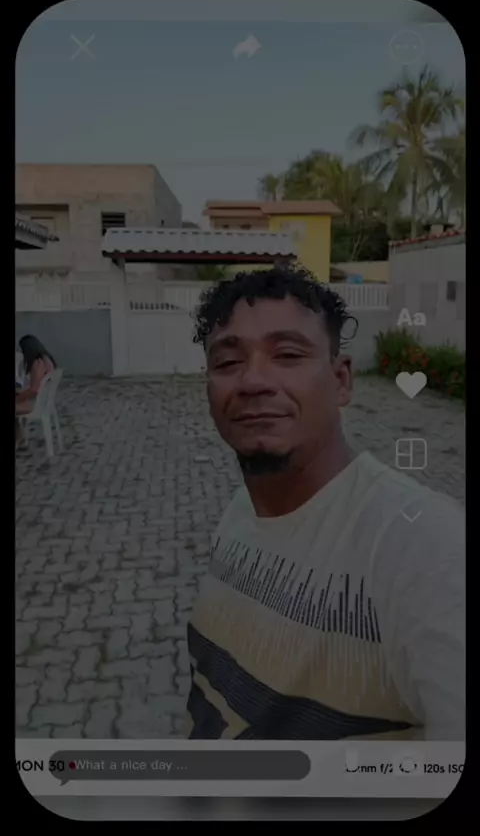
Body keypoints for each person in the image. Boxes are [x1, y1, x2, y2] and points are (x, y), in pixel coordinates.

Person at [184, 265, 465, 741]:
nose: (253, 381)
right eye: (227, 362)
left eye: (287, 355)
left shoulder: (424, 547)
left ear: (340, 380)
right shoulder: (239, 512)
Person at [15, 335, 56, 447]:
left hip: (35, 405)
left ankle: (19, 437)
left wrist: (18, 398)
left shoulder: (37, 363)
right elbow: (37, 386)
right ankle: (20, 437)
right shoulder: (47, 360)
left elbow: (34, 391)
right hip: (43, 402)